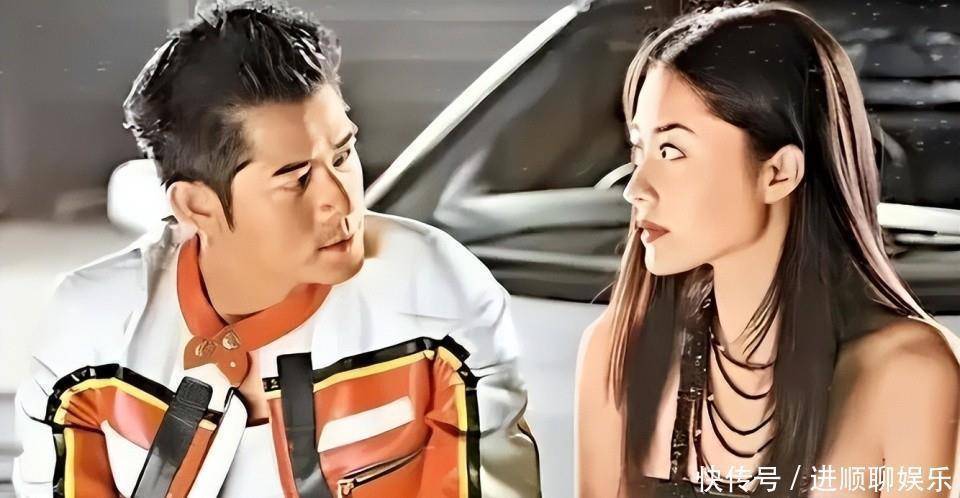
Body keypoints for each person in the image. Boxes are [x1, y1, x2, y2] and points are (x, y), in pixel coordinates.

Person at [12, 2, 540, 497]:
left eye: (343, 156)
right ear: (196, 207)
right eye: (296, 178)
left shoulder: (435, 296)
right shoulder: (93, 330)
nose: (341, 201)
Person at [576, 3, 960, 497]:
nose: (636, 189)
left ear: (778, 173)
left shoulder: (908, 373)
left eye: (672, 151)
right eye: (638, 151)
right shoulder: (619, 352)